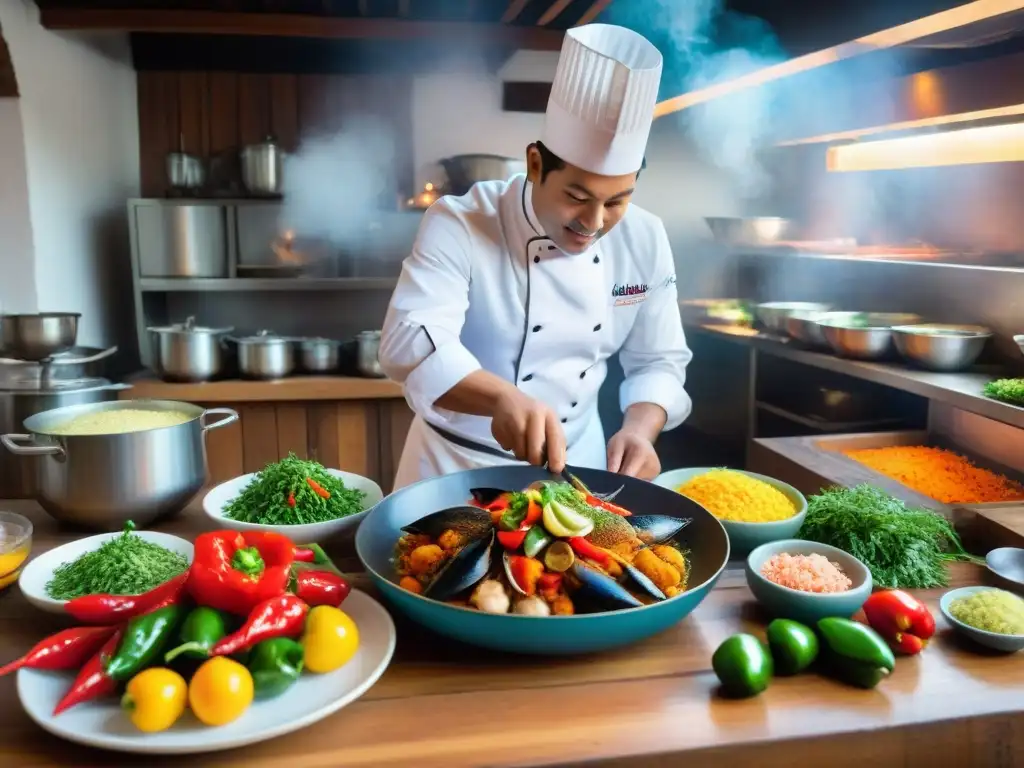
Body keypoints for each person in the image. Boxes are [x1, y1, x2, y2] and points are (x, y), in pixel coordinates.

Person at [380, 23, 692, 490]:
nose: (594, 221)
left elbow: (659, 361)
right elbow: (409, 341)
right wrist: (501, 397)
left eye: (615, 202)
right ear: (534, 165)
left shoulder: (645, 237)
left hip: (576, 469)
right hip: (452, 468)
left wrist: (639, 431)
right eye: (576, 196)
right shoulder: (462, 221)